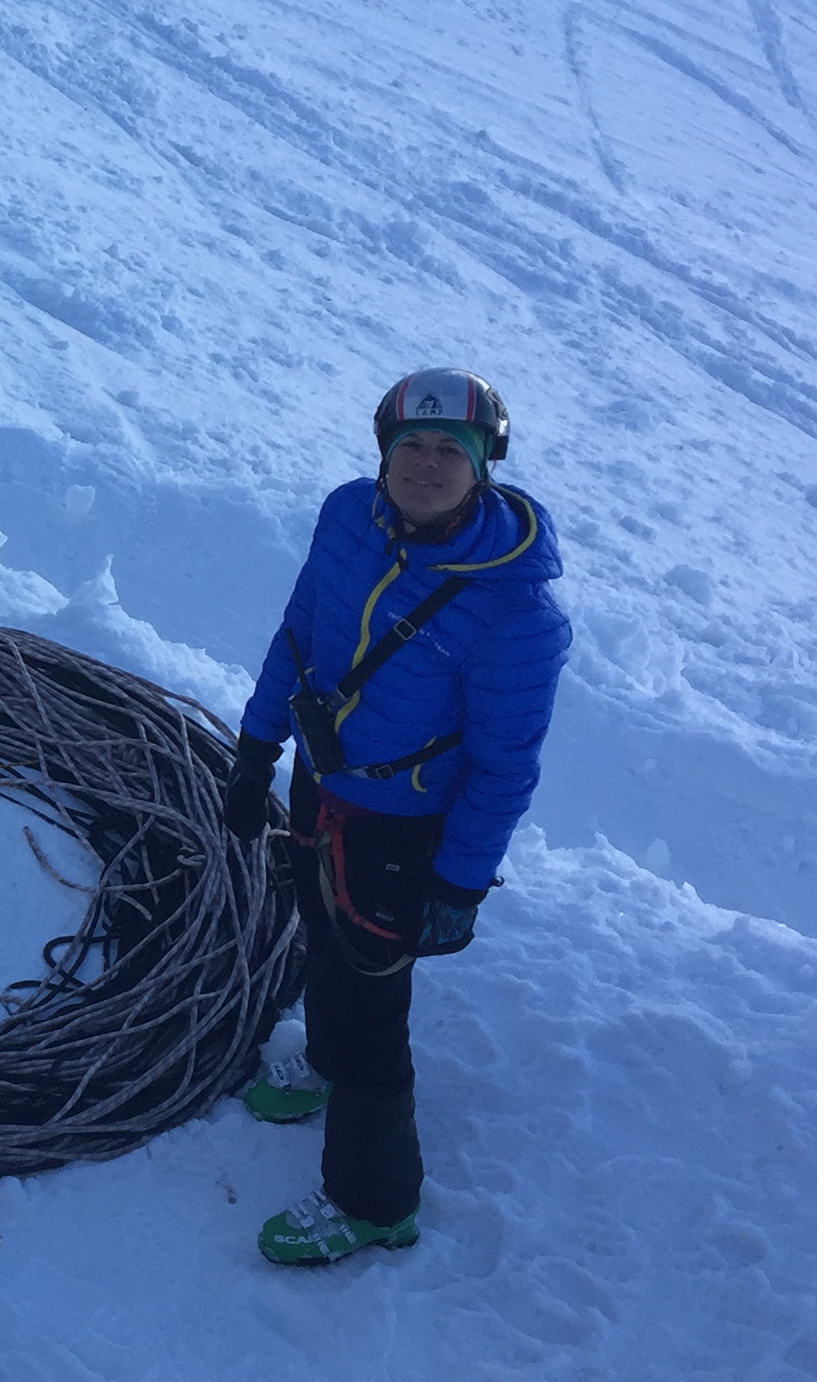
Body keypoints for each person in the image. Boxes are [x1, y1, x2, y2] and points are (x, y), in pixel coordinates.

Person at [220, 369, 571, 1265]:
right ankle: (325, 1061)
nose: (426, 464)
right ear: (383, 451)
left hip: (400, 831)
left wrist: (459, 884)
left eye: (450, 449)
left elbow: (504, 769)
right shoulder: (349, 515)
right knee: (321, 932)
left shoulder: (516, 612)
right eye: (411, 443)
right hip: (320, 783)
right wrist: (256, 747)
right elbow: (299, 631)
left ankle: (375, 1201)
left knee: (374, 1005)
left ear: (484, 466)